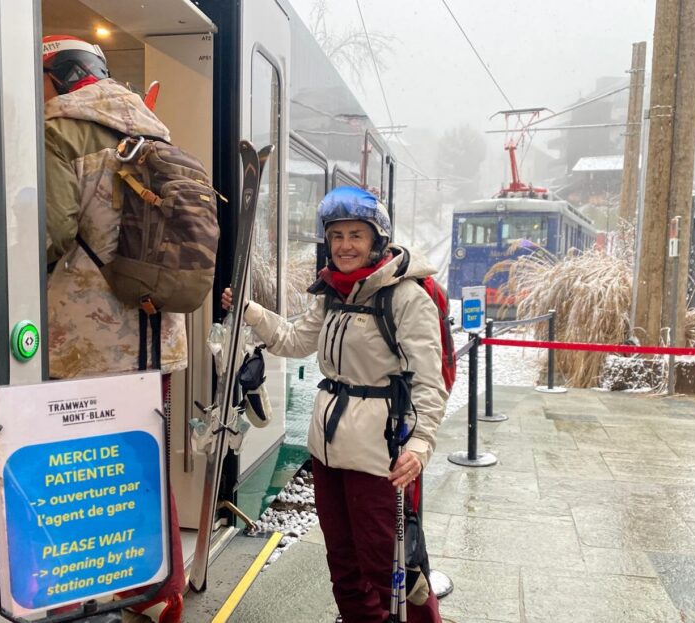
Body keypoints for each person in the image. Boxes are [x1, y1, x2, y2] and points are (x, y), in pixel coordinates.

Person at [223, 186, 448, 623]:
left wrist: (420, 443)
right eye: (337, 235)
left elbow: (428, 378)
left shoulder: (404, 297)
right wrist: (251, 312)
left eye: (356, 235)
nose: (344, 245)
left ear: (376, 239)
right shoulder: (332, 293)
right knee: (344, 565)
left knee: (389, 566)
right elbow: (293, 340)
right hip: (327, 449)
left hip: (379, 452)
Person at [42, 35, 185, 623]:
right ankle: (162, 590)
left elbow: (50, 232)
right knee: (143, 460)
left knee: (83, 473)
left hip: (87, 342)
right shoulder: (156, 131)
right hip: (159, 332)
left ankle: (85, 597)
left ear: (56, 78)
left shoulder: (57, 129)